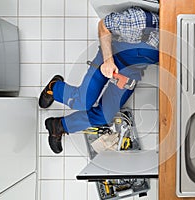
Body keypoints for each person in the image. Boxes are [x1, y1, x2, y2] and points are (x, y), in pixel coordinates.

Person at [38, 6, 159, 154]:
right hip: (109, 56)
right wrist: (108, 61)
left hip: (130, 71)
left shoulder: (173, 44)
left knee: (104, 115)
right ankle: (55, 88)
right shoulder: (139, 21)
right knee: (83, 102)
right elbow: (103, 25)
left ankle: (59, 125)